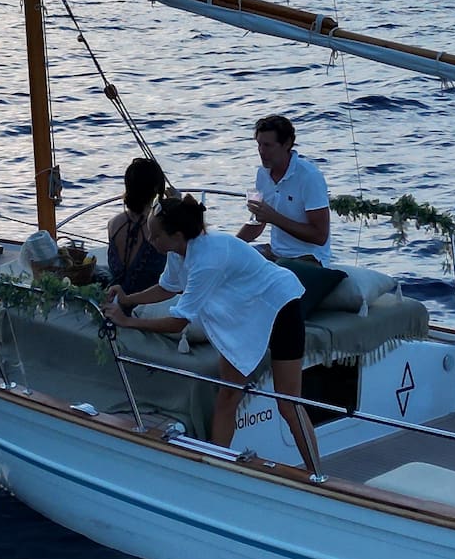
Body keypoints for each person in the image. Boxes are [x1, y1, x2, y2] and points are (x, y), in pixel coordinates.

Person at [106, 193, 323, 473]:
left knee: (288, 402)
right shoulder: (177, 252)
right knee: (227, 396)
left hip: (280, 305)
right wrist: (128, 299)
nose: (150, 240)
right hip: (246, 314)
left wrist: (128, 322)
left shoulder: (206, 259)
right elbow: (167, 288)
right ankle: (217, 468)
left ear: (178, 235)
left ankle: (318, 474)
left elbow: (178, 322)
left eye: (156, 236)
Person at [239, 113, 333, 264]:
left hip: (309, 259)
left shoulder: (309, 177)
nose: (261, 151)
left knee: (276, 270)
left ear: (287, 144)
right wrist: (229, 246)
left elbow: (320, 236)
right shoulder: (262, 174)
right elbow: (258, 223)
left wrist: (274, 218)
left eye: (268, 145)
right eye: (259, 144)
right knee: (230, 261)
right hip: (276, 253)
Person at [104, 155, 167, 298]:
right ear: (156, 188)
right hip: (146, 304)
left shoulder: (113, 224)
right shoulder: (160, 227)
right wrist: (177, 203)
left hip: (115, 299)